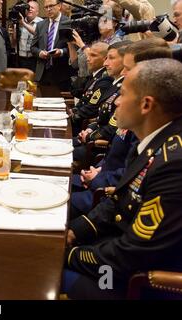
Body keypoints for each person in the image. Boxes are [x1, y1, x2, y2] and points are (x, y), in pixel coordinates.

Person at [64, 58, 182, 299]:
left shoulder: (173, 163)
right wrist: (75, 232)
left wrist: (69, 255)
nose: (116, 100)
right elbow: (118, 201)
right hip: (116, 254)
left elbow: (133, 254)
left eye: (123, 93)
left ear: (146, 105)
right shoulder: (154, 142)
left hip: (134, 284)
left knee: (32, 271)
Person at [69, 42, 113, 134]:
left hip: (83, 125)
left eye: (93, 55)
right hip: (80, 119)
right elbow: (80, 95)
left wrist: (73, 115)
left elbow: (92, 108)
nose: (88, 59)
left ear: (105, 59)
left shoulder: (104, 79)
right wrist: (73, 110)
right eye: (88, 55)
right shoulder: (95, 75)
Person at [31, 0, 72, 91]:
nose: (48, 9)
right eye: (46, 7)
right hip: (43, 73)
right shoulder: (40, 25)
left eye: (51, 6)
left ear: (59, 6)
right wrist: (40, 52)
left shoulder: (68, 23)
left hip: (61, 74)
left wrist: (61, 52)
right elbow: (33, 47)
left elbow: (74, 49)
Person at [11, 1, 43, 71]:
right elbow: (13, 42)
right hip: (19, 59)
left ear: (37, 12)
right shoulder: (18, 21)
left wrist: (24, 24)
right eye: (28, 7)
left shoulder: (41, 22)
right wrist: (14, 29)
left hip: (34, 60)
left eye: (32, 8)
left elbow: (38, 33)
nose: (29, 9)